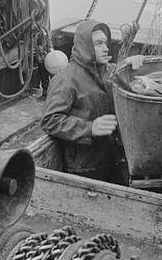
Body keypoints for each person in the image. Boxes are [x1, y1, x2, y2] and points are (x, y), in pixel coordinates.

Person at [40, 20, 143, 183]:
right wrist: (89, 128)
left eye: (106, 43)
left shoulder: (107, 70)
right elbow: (49, 120)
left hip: (112, 158)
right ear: (85, 46)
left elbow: (115, 72)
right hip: (85, 168)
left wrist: (128, 64)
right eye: (98, 43)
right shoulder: (66, 80)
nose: (106, 48)